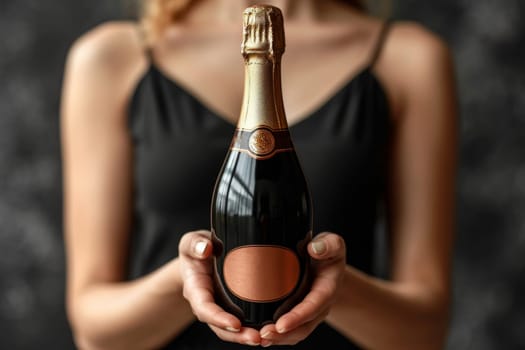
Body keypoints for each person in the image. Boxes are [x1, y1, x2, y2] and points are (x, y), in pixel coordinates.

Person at [60, 0, 458, 348]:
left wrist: (336, 288)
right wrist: (189, 278)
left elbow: (424, 333)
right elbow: (95, 332)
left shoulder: (408, 60)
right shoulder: (110, 58)